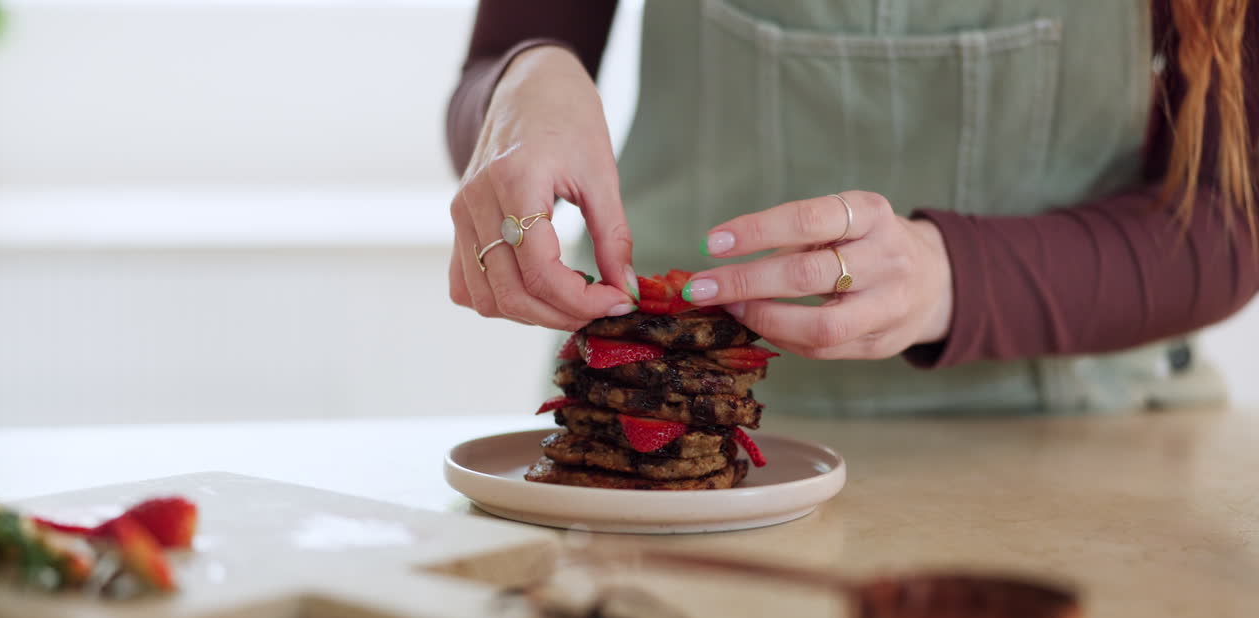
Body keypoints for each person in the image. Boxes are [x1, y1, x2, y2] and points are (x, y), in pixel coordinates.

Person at [445, 1, 1258, 415]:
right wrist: (523, 80)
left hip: (1089, 429)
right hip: (653, 437)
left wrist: (947, 277)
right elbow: (491, 72)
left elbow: (1229, 222)